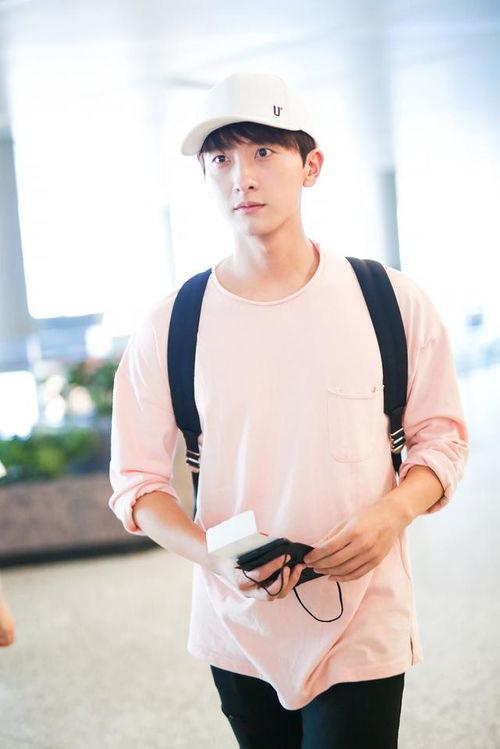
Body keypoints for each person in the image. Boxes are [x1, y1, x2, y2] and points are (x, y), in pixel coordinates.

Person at [108, 71, 469, 748]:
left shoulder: (388, 300)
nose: (242, 177)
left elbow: (441, 438)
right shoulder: (172, 325)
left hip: (363, 615)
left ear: (311, 166)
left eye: (264, 152)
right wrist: (213, 557)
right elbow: (136, 485)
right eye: (221, 158)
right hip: (237, 624)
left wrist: (393, 513)